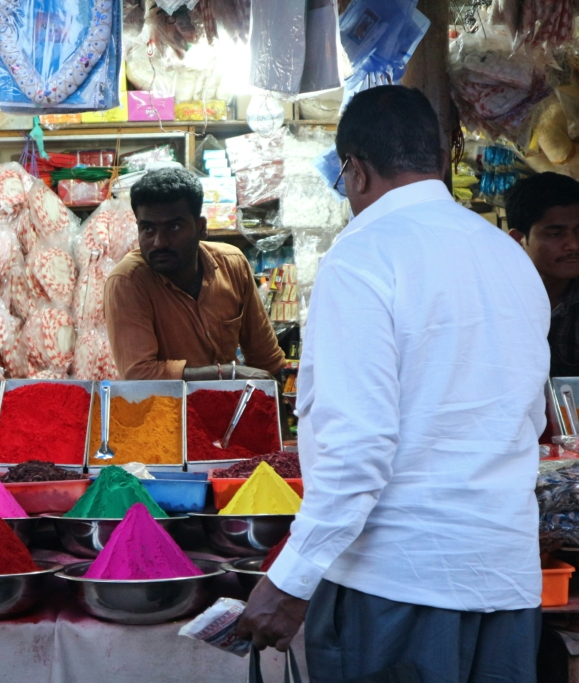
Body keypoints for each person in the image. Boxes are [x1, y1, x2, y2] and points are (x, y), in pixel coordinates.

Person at [236, 85, 549, 683]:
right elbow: (526, 422)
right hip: (504, 579)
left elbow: (356, 446)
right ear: (437, 159)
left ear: (354, 171)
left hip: (399, 584)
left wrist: (293, 577)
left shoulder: (362, 257)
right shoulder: (508, 257)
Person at [103, 167, 285, 381]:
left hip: (232, 407)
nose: (159, 242)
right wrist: (226, 373)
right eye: (148, 229)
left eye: (174, 227)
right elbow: (139, 375)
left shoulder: (232, 264)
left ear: (201, 228)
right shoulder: (128, 282)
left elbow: (266, 358)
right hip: (163, 410)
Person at [506, 172, 579, 378]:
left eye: (578, 232)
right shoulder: (497, 297)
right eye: (555, 234)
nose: (573, 245)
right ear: (518, 240)